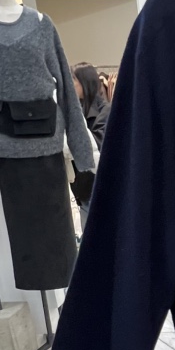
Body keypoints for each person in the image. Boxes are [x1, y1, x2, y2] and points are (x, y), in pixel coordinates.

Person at [69, 62, 110, 229]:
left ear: (85, 83)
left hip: (97, 185)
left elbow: (98, 144)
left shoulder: (105, 110)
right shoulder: (74, 110)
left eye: (74, 80)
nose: (71, 85)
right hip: (81, 188)